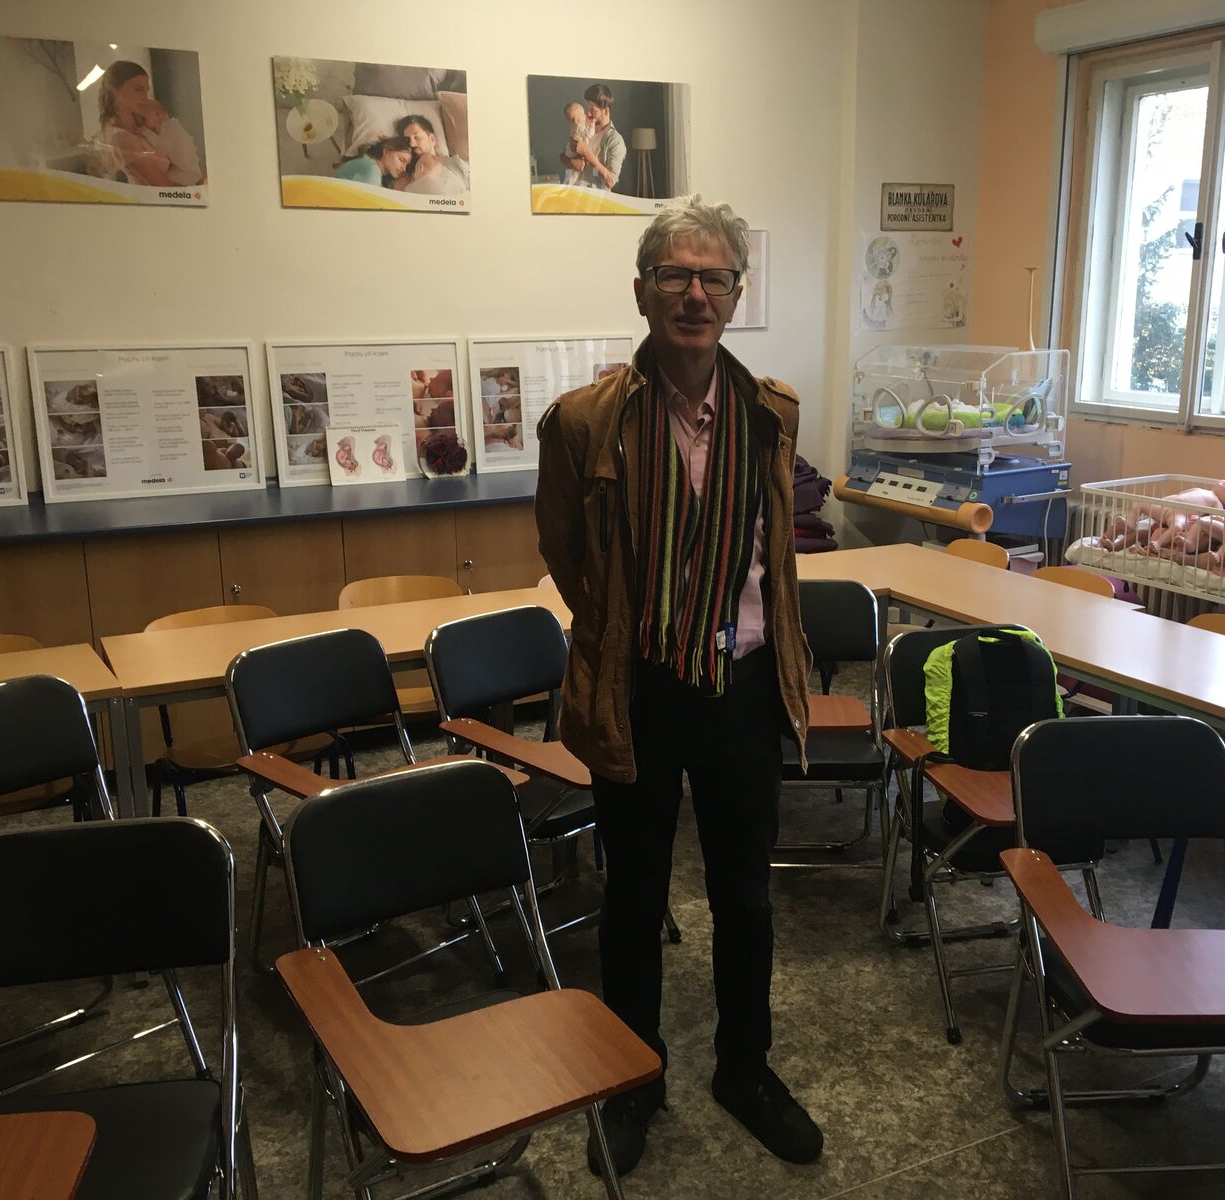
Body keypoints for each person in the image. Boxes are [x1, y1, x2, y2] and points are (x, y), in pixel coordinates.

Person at [534, 195, 820, 1177]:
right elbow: (565, 551)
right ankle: (633, 1080)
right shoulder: (585, 422)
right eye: (675, 276)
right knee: (633, 899)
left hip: (743, 688)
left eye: (713, 278)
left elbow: (772, 549)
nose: (694, 295)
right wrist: (630, 632)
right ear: (642, 291)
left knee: (745, 897)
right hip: (640, 693)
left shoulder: (770, 412)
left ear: (737, 295)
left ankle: (745, 1070)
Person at [94, 61, 202, 187]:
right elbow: (162, 187)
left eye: (146, 90)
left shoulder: (143, 124)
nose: (145, 96)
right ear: (115, 89)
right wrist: (197, 190)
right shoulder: (121, 137)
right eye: (138, 89)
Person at [563, 83, 625, 191]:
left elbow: (610, 182)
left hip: (594, 199)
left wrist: (586, 152)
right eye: (588, 107)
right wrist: (572, 162)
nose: (588, 112)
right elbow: (563, 156)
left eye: (593, 108)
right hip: (573, 193)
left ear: (606, 110)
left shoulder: (616, 141)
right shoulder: (584, 126)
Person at [397, 115, 469, 196]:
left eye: (416, 137)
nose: (411, 144)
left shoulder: (456, 165)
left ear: (432, 139)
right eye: (407, 141)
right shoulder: (404, 177)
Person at [334, 136, 412, 188]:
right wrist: (396, 191)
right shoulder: (372, 170)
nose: (404, 169)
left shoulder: (369, 163)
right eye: (401, 160)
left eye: (406, 165)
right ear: (386, 152)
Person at [560, 100, 592, 185]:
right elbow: (589, 134)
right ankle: (568, 183)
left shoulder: (575, 126)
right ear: (577, 120)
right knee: (573, 175)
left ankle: (567, 183)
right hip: (573, 153)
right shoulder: (579, 127)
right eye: (583, 114)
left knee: (570, 173)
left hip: (571, 152)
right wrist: (592, 124)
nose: (586, 115)